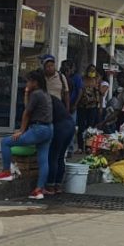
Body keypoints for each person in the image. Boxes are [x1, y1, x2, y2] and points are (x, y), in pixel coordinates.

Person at [0, 70, 54, 200]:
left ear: (35, 82)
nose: (27, 83)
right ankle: (39, 189)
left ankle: (6, 172)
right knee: (43, 160)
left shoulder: (36, 94)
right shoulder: (45, 94)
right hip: (48, 129)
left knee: (6, 142)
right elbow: (29, 107)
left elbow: (27, 113)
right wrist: (26, 92)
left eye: (29, 81)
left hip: (38, 129)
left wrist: (21, 130)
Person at [42, 55, 73, 195]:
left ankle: (51, 186)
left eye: (52, 65)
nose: (50, 68)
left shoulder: (61, 77)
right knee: (59, 156)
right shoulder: (42, 79)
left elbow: (66, 94)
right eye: (47, 66)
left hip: (59, 118)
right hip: (62, 120)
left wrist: (67, 109)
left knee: (54, 155)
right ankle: (57, 185)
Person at [76, 64, 103, 153]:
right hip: (82, 106)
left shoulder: (96, 80)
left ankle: (88, 146)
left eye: (93, 70)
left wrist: (100, 106)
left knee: (90, 127)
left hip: (93, 106)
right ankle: (80, 147)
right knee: (81, 127)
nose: (92, 72)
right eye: (90, 70)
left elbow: (100, 94)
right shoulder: (82, 79)